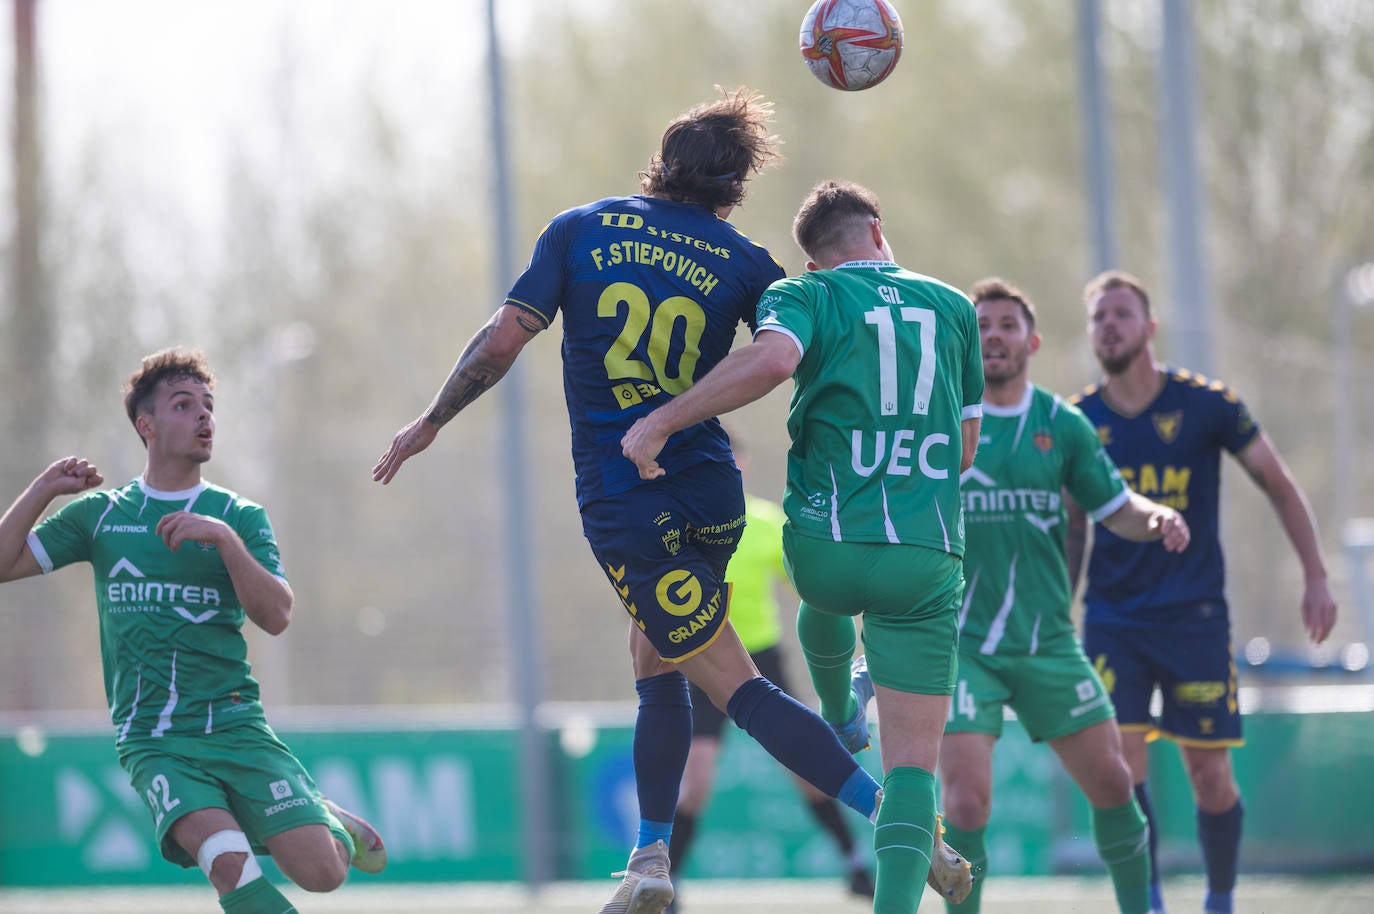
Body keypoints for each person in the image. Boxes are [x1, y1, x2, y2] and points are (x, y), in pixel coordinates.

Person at [372, 90, 883, 914]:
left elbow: (504, 339)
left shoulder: (580, 228)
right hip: (713, 491)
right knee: (656, 659)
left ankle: (891, 818)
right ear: (734, 186)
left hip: (626, 495)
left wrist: (433, 417)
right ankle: (649, 857)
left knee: (735, 686)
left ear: (662, 161)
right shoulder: (749, 261)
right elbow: (795, 356)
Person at [623, 179, 978, 914]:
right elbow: (968, 441)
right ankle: (858, 744)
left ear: (814, 263)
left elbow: (775, 361)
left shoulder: (804, 296)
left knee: (824, 601)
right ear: (877, 230)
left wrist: (666, 418)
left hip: (828, 544)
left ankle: (840, 706)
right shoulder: (954, 307)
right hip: (924, 551)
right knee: (912, 776)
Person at [0, 348, 386, 914]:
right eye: (184, 406)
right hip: (155, 740)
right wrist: (43, 489)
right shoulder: (101, 516)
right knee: (230, 863)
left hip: (235, 725)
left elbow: (277, 617)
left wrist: (225, 542)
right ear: (147, 426)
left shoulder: (240, 516)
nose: (204, 417)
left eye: (209, 406)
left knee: (324, 873)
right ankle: (263, 819)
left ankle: (319, 813)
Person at [1066, 270, 1339, 914]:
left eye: (1121, 313)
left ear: (1149, 327)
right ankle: (1149, 900)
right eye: (1099, 316)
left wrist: (1317, 574)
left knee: (1210, 775)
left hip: (1195, 619)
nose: (1109, 325)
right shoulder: (1079, 421)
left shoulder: (1208, 404)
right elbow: (1072, 530)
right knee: (1121, 772)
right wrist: (1057, 608)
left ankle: (1220, 897)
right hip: (1111, 619)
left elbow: (1277, 482)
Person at [926, 277, 1190, 914]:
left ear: (1032, 341)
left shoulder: (1061, 425)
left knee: (1114, 783)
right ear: (965, 341)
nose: (993, 335)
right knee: (965, 801)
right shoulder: (936, 422)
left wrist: (1156, 516)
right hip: (965, 647)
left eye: (1007, 325)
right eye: (981, 325)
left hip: (1048, 642)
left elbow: (1116, 507)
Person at [667, 439, 875, 912]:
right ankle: (669, 880)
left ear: (738, 463)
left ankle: (856, 865)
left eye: (727, 459)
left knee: (806, 769)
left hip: (761, 661)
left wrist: (856, 595)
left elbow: (811, 590)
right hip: (701, 663)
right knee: (694, 785)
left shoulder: (764, 524)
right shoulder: (677, 523)